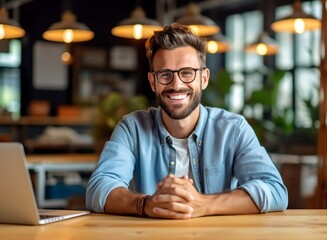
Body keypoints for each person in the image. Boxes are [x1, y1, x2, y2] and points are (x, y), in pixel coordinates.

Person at [86, 23, 288, 219]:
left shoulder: (233, 129)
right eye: (165, 74)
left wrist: (204, 204)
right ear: (152, 82)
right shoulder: (132, 128)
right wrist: (146, 204)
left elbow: (275, 191)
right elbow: (98, 189)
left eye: (187, 73)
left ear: (204, 78)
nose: (176, 84)